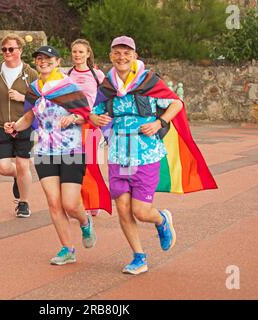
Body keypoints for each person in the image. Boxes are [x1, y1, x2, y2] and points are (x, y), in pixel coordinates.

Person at [90, 36, 217, 275]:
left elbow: (176, 103)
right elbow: (93, 113)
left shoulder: (149, 81)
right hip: (119, 155)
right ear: (110, 56)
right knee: (123, 208)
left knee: (140, 211)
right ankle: (139, 257)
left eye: (127, 53)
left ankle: (160, 219)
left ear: (135, 56)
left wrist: (159, 122)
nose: (122, 57)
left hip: (146, 154)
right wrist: (95, 119)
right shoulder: (106, 86)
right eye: (117, 52)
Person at [4, 45, 97, 265]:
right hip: (45, 151)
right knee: (54, 203)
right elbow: (29, 115)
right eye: (39, 58)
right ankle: (67, 249)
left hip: (71, 150)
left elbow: (87, 116)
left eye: (48, 58)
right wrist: (15, 126)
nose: (43, 61)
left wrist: (74, 119)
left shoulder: (69, 86)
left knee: (71, 204)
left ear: (57, 62)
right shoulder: (34, 89)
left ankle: (85, 223)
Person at [0, 33, 38, 218]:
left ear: (20, 50)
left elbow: (41, 99)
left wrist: (23, 98)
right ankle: (18, 177)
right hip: (1, 126)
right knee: (3, 167)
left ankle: (23, 203)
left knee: (23, 165)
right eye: (4, 49)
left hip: (23, 125)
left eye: (11, 49)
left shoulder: (30, 74)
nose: (7, 52)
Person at [68, 39, 111, 217]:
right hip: (71, 125)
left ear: (87, 54)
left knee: (90, 164)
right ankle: (78, 202)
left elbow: (107, 97)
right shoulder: (67, 74)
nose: (77, 55)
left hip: (91, 125)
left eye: (80, 52)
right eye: (74, 52)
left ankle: (94, 201)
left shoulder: (97, 75)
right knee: (74, 164)